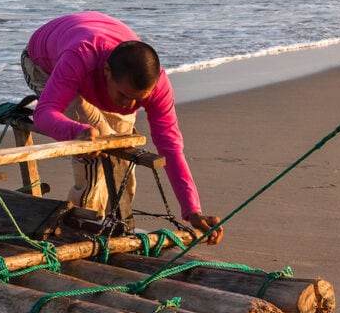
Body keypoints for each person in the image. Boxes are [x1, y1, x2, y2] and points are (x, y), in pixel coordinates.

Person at [22, 12, 223, 236]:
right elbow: (44, 113)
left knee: (122, 156)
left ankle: (118, 224)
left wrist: (192, 209)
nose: (130, 106)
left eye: (140, 99)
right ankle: (82, 226)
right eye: (125, 96)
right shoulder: (80, 57)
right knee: (98, 139)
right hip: (42, 64)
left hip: (93, 53)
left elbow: (170, 146)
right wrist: (77, 131)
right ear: (106, 71)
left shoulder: (157, 87)